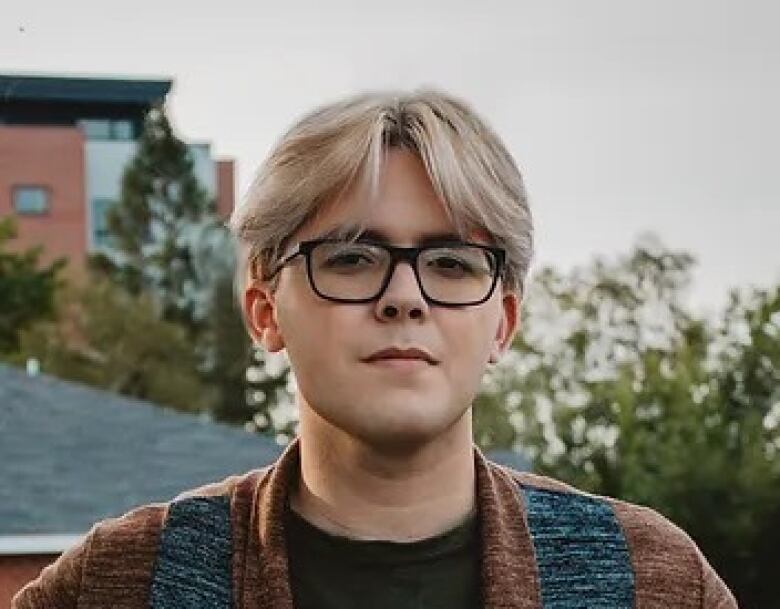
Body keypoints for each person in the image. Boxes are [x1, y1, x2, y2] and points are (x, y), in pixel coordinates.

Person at [13, 90, 737, 608]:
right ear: (266, 313)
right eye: (352, 257)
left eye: (452, 261)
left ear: (504, 323)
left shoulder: (651, 579)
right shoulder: (128, 581)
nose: (405, 296)